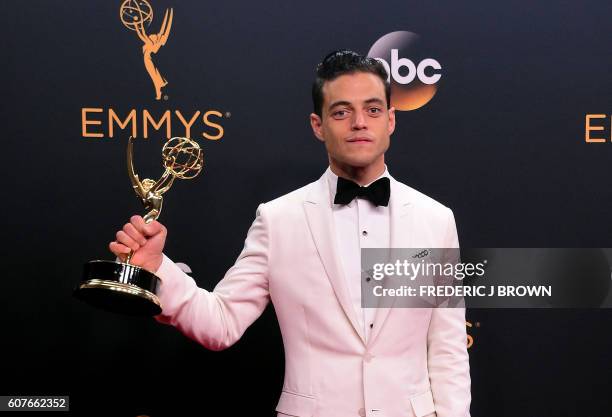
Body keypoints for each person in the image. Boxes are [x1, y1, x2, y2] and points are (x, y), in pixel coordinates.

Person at [110, 50, 471, 417]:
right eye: (342, 111)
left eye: (373, 110)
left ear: (391, 120)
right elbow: (220, 324)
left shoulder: (435, 219)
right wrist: (156, 269)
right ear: (318, 125)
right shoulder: (278, 219)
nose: (360, 123)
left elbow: (448, 347)